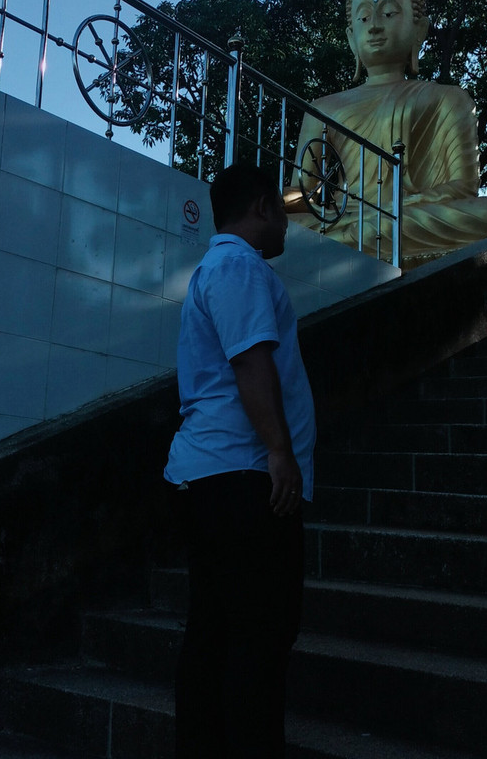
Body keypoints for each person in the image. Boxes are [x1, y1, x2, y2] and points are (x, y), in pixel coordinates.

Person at [165, 162, 316, 758]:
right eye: (282, 208)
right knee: (259, 633)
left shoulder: (221, 268)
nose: (287, 220)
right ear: (261, 208)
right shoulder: (238, 266)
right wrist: (280, 452)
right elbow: (251, 364)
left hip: (216, 476)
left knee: (219, 631)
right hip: (241, 476)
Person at [287, 0, 487, 267]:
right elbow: (304, 193)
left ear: (419, 30)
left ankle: (358, 238)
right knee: (284, 228)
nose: (375, 26)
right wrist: (274, 203)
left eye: (389, 13)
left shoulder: (449, 99)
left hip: (404, 215)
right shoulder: (323, 108)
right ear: (351, 38)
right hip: (345, 217)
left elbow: (464, 187)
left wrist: (401, 202)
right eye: (363, 18)